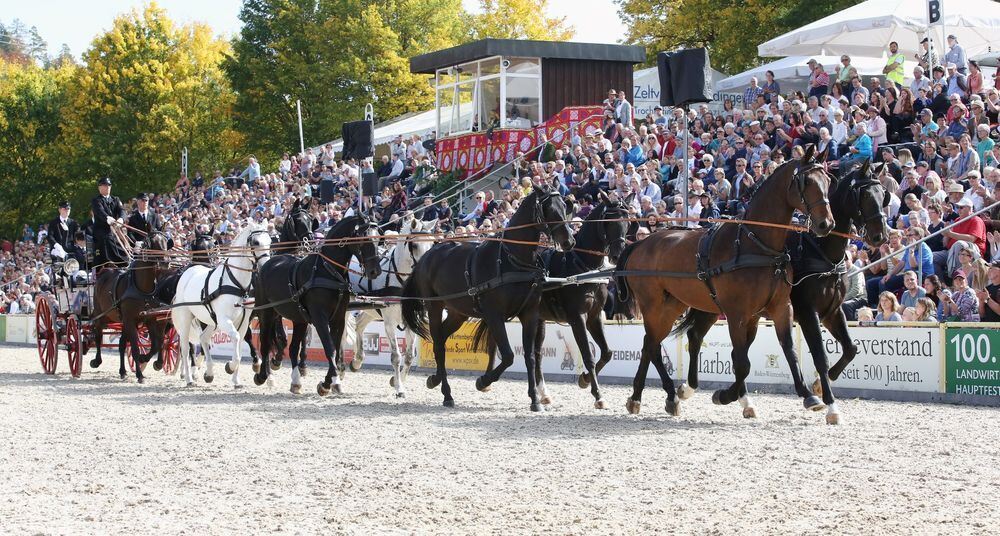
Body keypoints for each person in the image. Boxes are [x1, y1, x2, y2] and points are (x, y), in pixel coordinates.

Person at [90, 177, 127, 269]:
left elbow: (122, 211)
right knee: (107, 239)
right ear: (99, 187)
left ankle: (127, 260)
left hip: (114, 230)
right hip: (101, 231)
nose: (107, 187)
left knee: (125, 240)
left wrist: (121, 219)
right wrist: (108, 218)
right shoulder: (96, 200)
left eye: (109, 185)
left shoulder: (116, 199)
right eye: (105, 185)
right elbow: (100, 212)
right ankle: (116, 261)